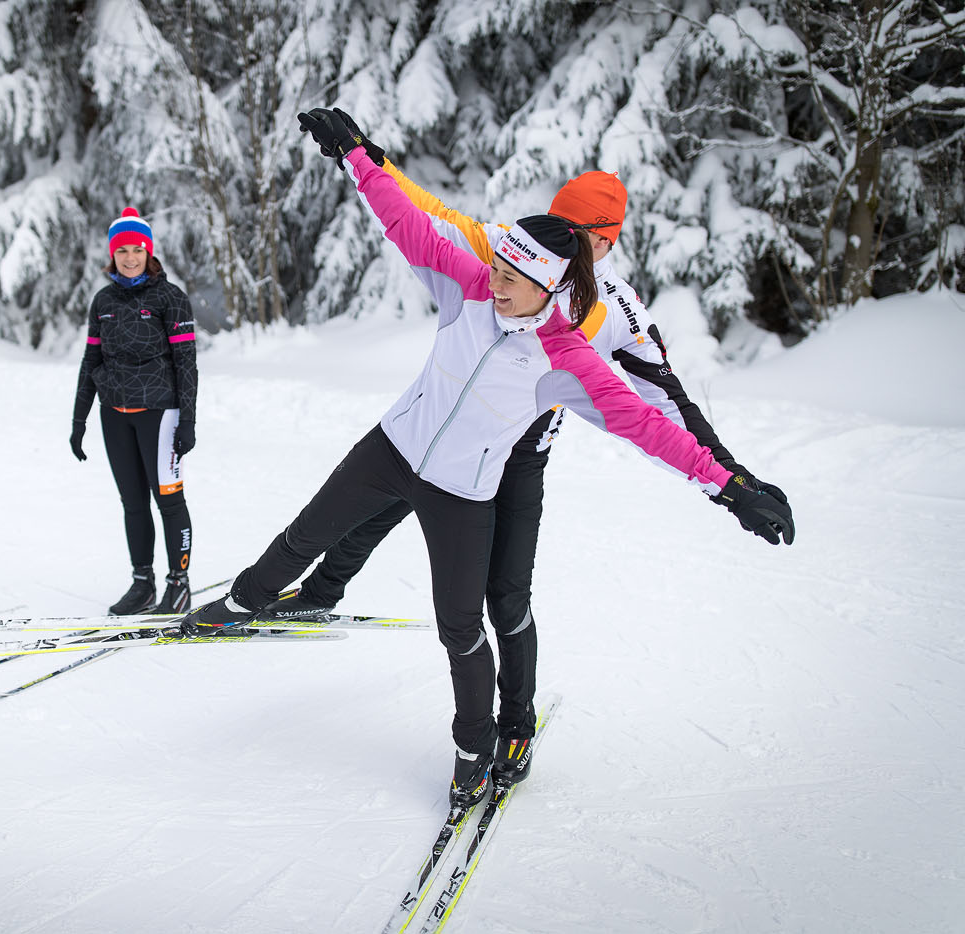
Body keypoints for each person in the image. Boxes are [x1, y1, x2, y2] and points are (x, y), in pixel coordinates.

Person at [181, 109, 794, 812]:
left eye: (582, 235)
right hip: (411, 442)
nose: (500, 279)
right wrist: (360, 155)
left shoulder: (596, 330)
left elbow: (656, 416)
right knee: (340, 521)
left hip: (503, 465)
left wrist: (731, 483)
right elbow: (419, 218)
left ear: (601, 245)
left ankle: (508, 729)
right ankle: (282, 596)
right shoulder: (493, 266)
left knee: (498, 605)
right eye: (506, 261)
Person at [72, 208, 198, 615]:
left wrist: (188, 420)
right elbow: (91, 362)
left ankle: (178, 585)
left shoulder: (170, 298)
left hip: (160, 414)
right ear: (113, 254)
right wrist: (78, 419)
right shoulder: (103, 301)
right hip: (114, 414)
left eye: (137, 250)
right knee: (133, 503)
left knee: (169, 501)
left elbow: (186, 363)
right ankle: (142, 584)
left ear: (149, 253)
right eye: (122, 251)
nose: (130, 258)